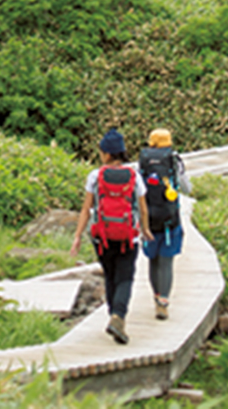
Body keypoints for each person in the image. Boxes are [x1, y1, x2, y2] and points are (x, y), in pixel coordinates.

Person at [71, 129, 153, 344]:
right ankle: (118, 316)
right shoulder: (134, 177)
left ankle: (113, 316)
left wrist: (77, 236)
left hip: (102, 237)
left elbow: (86, 209)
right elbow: (143, 209)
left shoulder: (95, 176)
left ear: (107, 154)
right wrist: (145, 230)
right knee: (125, 277)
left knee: (110, 275)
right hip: (128, 236)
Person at [139, 127, 192, 320]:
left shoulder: (143, 160)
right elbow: (187, 187)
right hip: (170, 219)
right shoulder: (174, 160)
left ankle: (156, 297)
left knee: (153, 261)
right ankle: (163, 302)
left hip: (148, 219)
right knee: (166, 262)